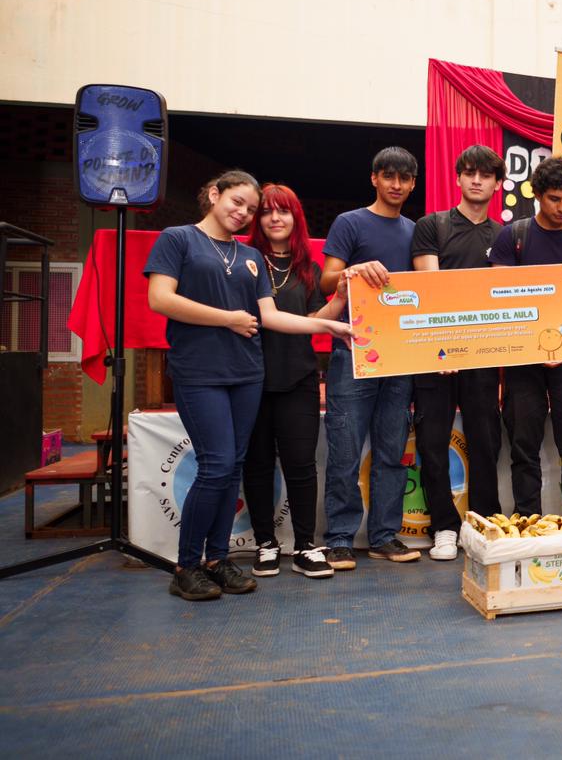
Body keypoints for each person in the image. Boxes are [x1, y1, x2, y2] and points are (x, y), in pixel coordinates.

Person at [144, 171, 350, 601]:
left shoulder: (249, 257)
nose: (244, 212)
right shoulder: (177, 239)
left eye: (250, 209)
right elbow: (160, 299)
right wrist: (228, 319)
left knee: (232, 467)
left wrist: (329, 324)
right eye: (238, 202)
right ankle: (187, 566)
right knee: (217, 465)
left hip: (247, 375)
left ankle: (217, 560)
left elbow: (272, 317)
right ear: (214, 194)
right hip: (200, 372)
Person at [320, 146, 421, 570]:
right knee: (344, 450)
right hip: (353, 353)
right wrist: (354, 272)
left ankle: (384, 535)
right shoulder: (350, 223)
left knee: (392, 451)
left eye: (405, 178)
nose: (396, 185)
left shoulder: (417, 230)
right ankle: (340, 538)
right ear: (374, 178)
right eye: (389, 176)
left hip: (401, 358)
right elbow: (327, 277)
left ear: (413, 184)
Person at [243, 183, 348, 579]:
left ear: (295, 218)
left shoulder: (309, 268)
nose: (274, 218)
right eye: (267, 211)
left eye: (283, 211)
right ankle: (265, 545)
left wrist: (339, 296)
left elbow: (320, 320)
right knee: (255, 466)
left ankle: (306, 545)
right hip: (251, 381)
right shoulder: (245, 260)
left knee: (302, 466)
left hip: (299, 379)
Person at [489, 155, 562, 515]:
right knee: (524, 443)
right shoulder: (514, 235)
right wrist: (531, 342)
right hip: (524, 356)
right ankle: (528, 521)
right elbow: (498, 296)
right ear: (538, 194)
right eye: (555, 198)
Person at [409, 145, 504, 561]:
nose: (477, 180)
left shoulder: (506, 235)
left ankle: (484, 522)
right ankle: (444, 527)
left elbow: (504, 296)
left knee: (486, 439)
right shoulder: (432, 226)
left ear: (498, 184)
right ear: (459, 178)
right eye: (469, 173)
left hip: (484, 356)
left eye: (485, 175)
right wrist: (445, 346)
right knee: (432, 441)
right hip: (438, 354)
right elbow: (432, 291)